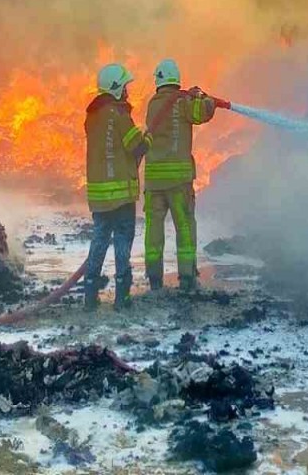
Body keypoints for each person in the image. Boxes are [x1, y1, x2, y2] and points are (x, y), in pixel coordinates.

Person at [142, 59, 216, 290]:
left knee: (153, 230)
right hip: (178, 183)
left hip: (154, 183)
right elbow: (202, 113)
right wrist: (206, 99)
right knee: (184, 228)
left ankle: (154, 278)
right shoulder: (184, 102)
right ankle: (186, 278)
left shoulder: (153, 104)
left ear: (159, 80)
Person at [83, 63, 148, 310]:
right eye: (126, 87)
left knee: (98, 241)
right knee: (122, 243)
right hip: (121, 197)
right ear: (117, 88)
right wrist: (147, 139)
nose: (128, 92)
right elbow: (137, 147)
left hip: (99, 197)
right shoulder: (120, 116)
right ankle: (122, 297)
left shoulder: (91, 117)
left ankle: (90, 296)